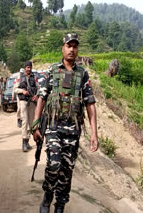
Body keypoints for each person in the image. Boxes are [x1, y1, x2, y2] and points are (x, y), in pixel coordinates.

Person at [32, 33, 98, 213]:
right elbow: (42, 97)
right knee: (54, 164)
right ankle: (47, 197)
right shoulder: (52, 71)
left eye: (75, 46)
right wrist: (36, 123)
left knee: (67, 171)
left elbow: (90, 103)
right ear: (62, 48)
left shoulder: (82, 74)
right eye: (69, 45)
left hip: (73, 130)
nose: (72, 49)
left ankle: (60, 205)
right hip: (53, 128)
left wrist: (94, 133)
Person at [14, 61, 40, 152]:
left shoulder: (34, 77)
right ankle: (24, 142)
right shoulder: (19, 77)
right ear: (25, 68)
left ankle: (27, 140)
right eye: (27, 67)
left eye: (30, 67)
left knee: (31, 122)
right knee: (24, 121)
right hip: (23, 102)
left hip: (32, 102)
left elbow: (38, 88)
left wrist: (36, 95)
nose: (29, 69)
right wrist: (22, 91)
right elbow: (15, 89)